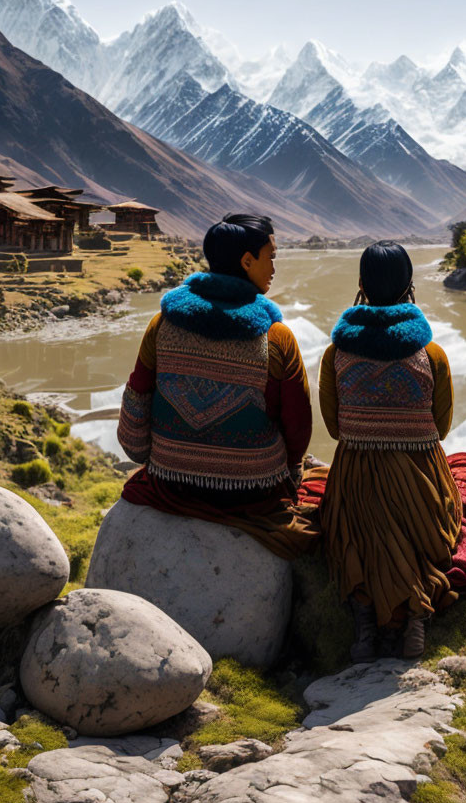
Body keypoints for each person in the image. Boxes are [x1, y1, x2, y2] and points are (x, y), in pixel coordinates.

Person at [116, 213, 320, 558]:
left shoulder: (161, 324)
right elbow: (298, 425)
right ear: (246, 261)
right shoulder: (276, 337)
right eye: (271, 256)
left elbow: (137, 400)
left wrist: (145, 456)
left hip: (170, 484)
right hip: (253, 491)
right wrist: (293, 470)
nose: (273, 267)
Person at [319, 241, 462, 661]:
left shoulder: (336, 355)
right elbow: (442, 427)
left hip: (354, 473)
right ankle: (415, 616)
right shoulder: (430, 354)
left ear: (361, 285)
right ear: (409, 287)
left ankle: (365, 615)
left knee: (350, 529)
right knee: (434, 519)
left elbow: (333, 427)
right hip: (420, 474)